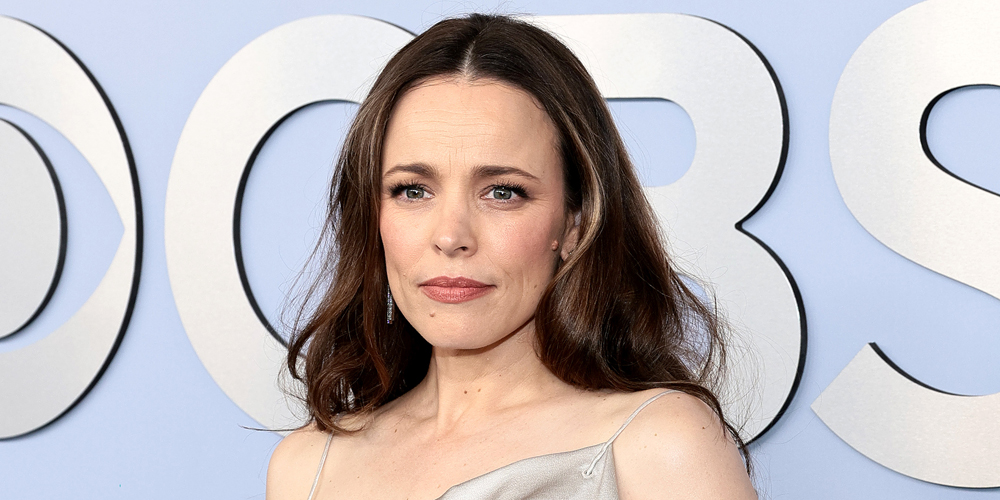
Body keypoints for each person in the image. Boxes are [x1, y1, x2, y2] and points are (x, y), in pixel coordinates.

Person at [266, 13, 757, 500]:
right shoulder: (306, 467)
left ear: (575, 223)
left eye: (503, 192)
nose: (451, 237)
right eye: (412, 190)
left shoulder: (659, 446)